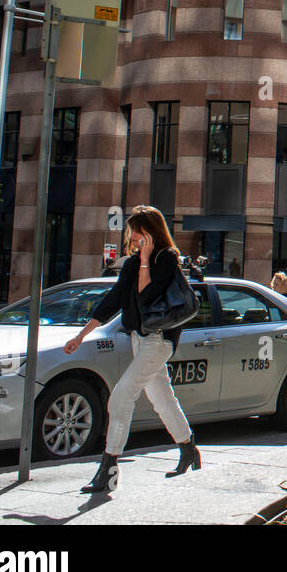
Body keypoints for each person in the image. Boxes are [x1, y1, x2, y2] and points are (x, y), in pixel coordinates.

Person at [65, 205, 200, 493]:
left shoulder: (167, 259)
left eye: (137, 233)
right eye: (132, 234)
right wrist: (81, 335)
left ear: (149, 234)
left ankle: (109, 469)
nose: (133, 238)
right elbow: (113, 300)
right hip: (138, 339)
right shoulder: (130, 264)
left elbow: (146, 293)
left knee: (120, 397)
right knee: (161, 398)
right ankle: (188, 447)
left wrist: (146, 259)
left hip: (159, 339)